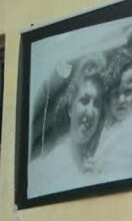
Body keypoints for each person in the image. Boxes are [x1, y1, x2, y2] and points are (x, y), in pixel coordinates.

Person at [28, 54, 106, 198]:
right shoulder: (45, 168)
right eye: (84, 100)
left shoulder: (98, 164)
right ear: (70, 106)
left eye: (97, 104)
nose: (90, 112)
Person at [89, 47, 132, 181]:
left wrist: (97, 173)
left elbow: (125, 175)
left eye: (128, 92)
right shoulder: (114, 118)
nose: (121, 100)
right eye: (116, 93)